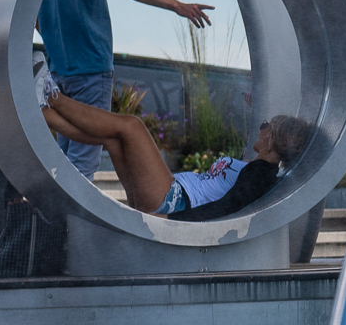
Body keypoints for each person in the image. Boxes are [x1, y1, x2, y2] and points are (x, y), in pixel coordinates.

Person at [40, 0, 215, 178]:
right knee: (84, 161)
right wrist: (176, 5)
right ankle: (74, 224)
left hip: (59, 73)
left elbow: (36, 18)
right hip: (90, 71)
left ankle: (59, 222)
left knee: (66, 159)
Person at [33, 70, 309, 220]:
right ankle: (41, 112)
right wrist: (255, 110)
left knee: (132, 127)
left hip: (173, 202)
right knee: (113, 139)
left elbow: (228, 207)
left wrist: (175, 223)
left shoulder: (260, 175)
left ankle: (52, 94)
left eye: (266, 127)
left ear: (273, 142)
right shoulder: (255, 166)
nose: (261, 128)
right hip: (170, 198)